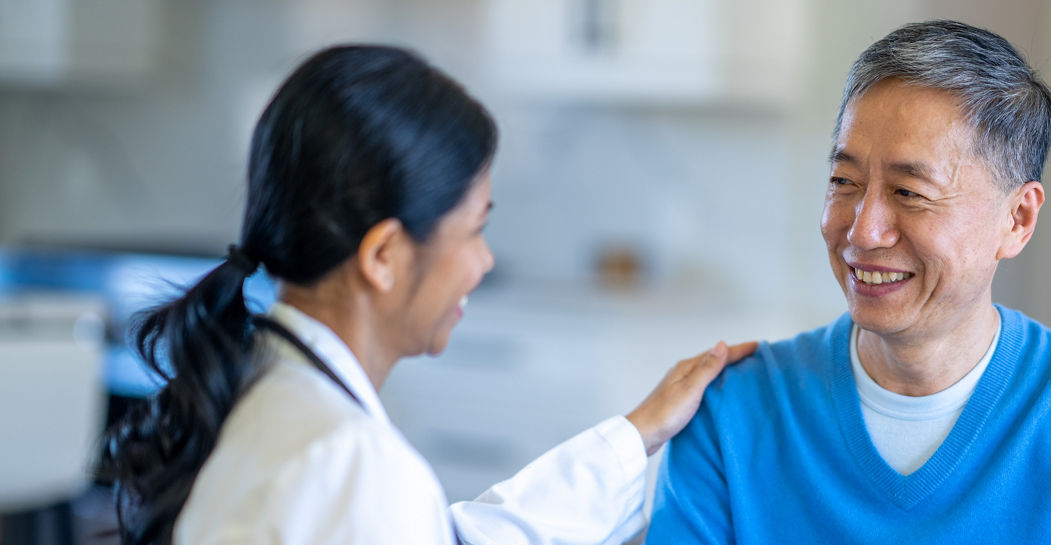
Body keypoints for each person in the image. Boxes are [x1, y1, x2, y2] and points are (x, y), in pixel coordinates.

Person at [101, 45, 756, 545]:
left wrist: (635, 434)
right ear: (384, 256)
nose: (484, 260)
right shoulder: (350, 461)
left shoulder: (270, 402)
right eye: (475, 230)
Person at [646, 20, 1051, 544]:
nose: (862, 231)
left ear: (1017, 221)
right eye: (844, 181)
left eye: (909, 192)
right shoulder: (732, 414)